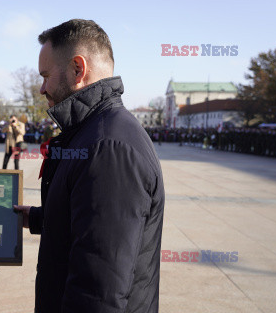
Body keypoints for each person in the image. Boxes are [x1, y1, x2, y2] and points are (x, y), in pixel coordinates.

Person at [14, 19, 165, 312]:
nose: (42, 88)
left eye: (45, 75)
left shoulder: (108, 148)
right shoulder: (95, 133)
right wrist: (34, 217)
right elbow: (89, 220)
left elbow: (99, 290)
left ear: (78, 69)